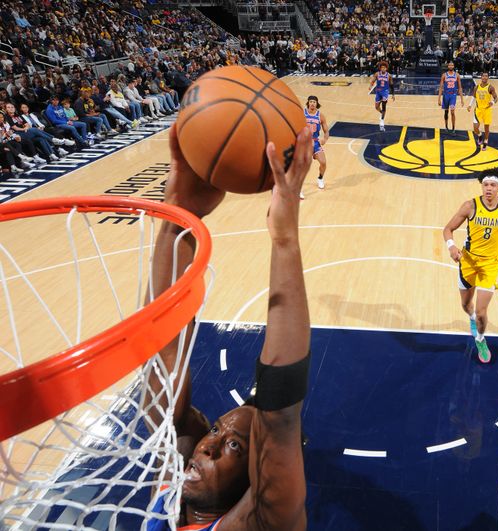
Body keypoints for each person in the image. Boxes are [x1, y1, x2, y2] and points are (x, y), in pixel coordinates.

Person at [145, 124, 315, 529]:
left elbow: (281, 410)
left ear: (257, 474)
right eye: (219, 431)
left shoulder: (258, 521)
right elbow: (166, 354)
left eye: (235, 446)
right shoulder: (173, 484)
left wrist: (285, 240)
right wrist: (179, 215)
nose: (208, 446)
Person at [442, 169, 498, 363]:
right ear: (482, 186)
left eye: (493, 185)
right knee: (465, 305)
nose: (488, 188)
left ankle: (480, 339)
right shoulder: (470, 206)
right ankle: (470, 317)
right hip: (468, 262)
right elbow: (448, 229)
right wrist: (452, 247)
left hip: (490, 265)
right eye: (486, 185)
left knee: (482, 312)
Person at [304, 95, 329, 193]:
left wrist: (324, 139)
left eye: (314, 102)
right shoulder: (302, 113)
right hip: (305, 143)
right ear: (308, 103)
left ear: (317, 103)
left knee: (323, 162)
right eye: (310, 101)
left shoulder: (320, 115)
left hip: (315, 142)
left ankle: (320, 178)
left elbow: (326, 131)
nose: (312, 103)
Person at [467, 72, 498, 151]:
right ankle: (480, 135)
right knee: (475, 128)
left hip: (487, 110)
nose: (484, 77)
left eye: (486, 76)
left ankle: (485, 141)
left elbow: (496, 98)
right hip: (478, 110)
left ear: (488, 78)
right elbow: (474, 97)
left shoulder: (490, 87)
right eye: (483, 76)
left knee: (486, 128)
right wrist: (470, 105)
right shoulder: (476, 87)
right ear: (481, 77)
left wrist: (492, 102)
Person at [368, 61, 394, 131]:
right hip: (378, 92)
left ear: (386, 68)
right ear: (380, 68)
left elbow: (391, 85)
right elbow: (372, 80)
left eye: (384, 68)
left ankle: (382, 120)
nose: (383, 69)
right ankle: (382, 113)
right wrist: (370, 85)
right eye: (382, 67)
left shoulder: (389, 76)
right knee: (376, 107)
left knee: (384, 105)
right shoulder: (377, 74)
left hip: (385, 92)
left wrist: (393, 94)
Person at [438, 61, 464, 131]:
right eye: (449, 65)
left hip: (453, 95)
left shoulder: (457, 75)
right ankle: (446, 126)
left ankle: (453, 128)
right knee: (446, 112)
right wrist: (439, 99)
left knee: (452, 112)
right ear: (448, 66)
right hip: (446, 95)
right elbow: (440, 87)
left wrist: (462, 99)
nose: (451, 66)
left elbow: (460, 87)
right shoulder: (444, 75)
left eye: (452, 65)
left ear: (453, 66)